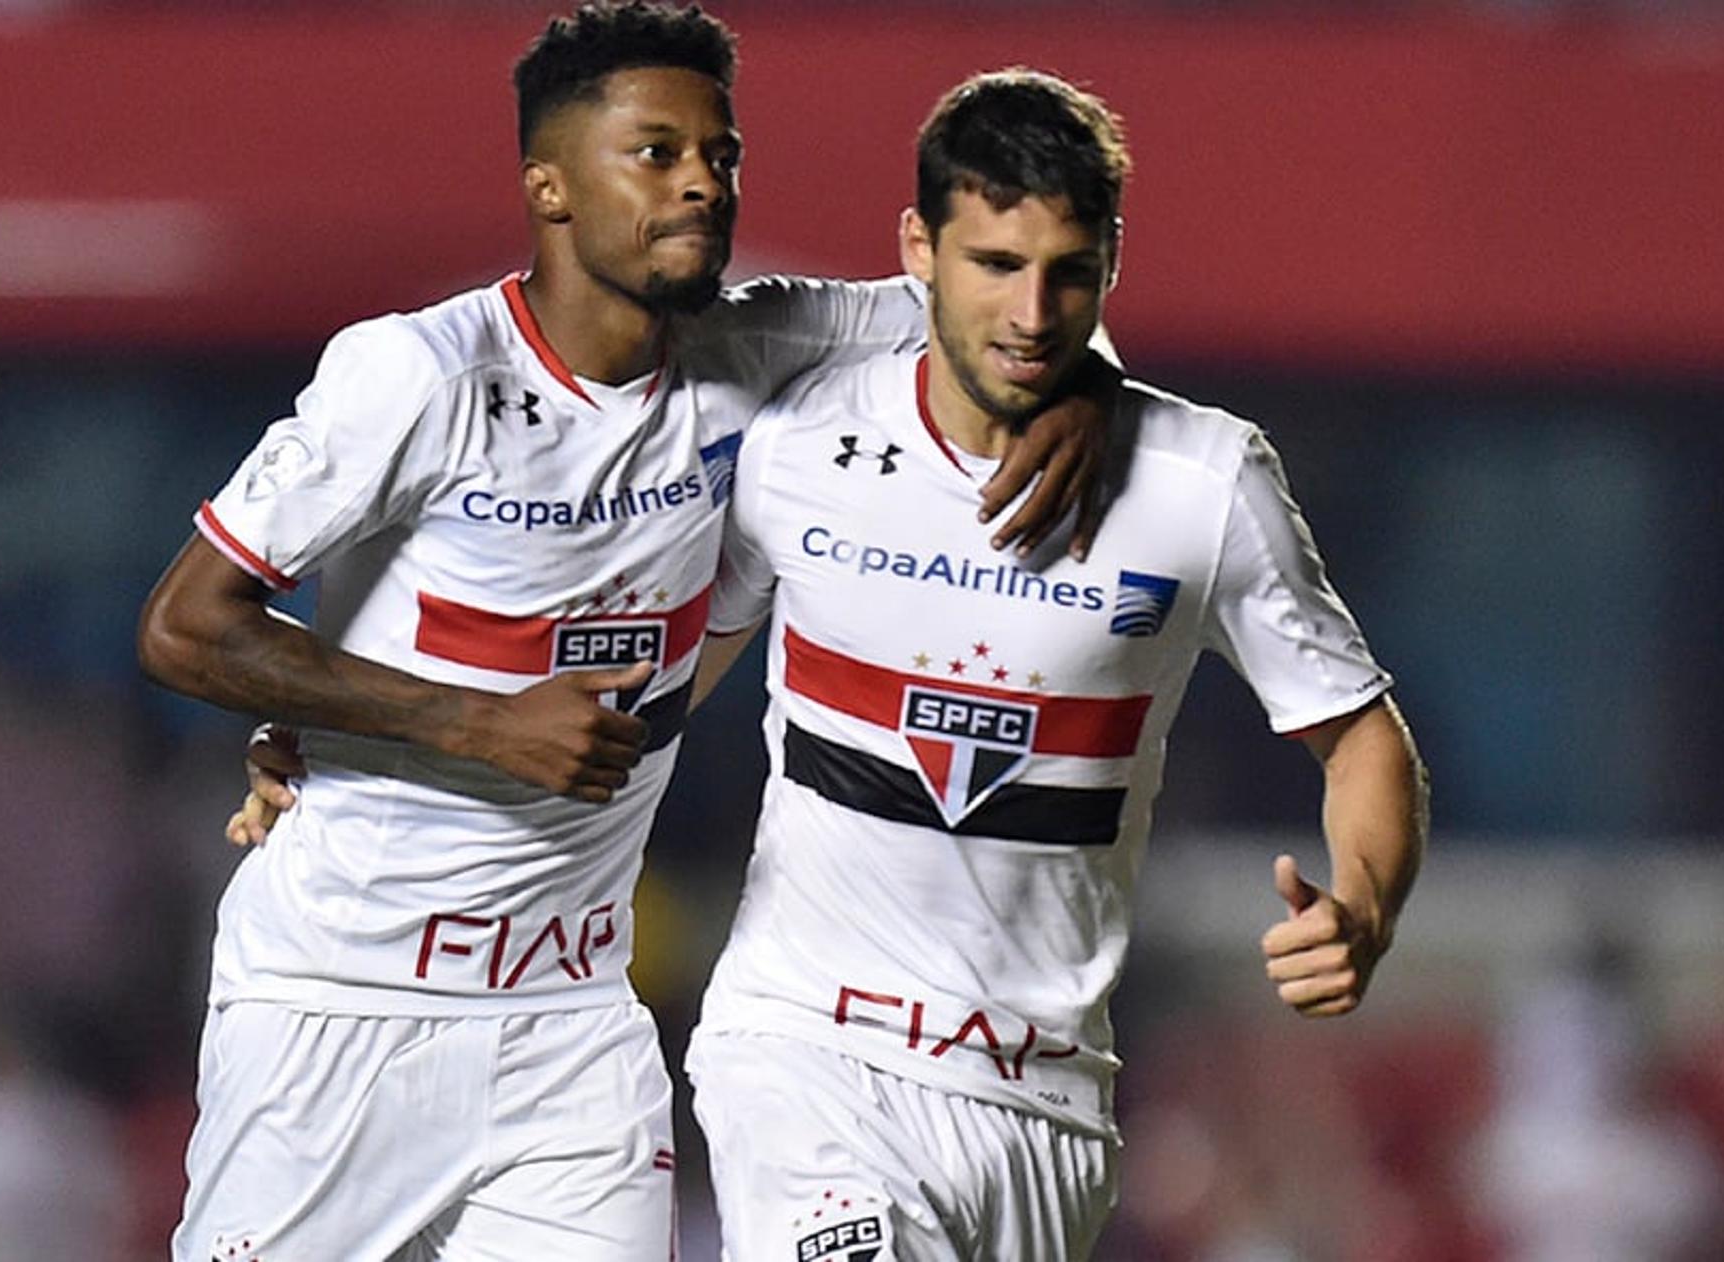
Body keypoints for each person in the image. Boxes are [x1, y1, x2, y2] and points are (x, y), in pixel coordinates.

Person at [135, 5, 1106, 1259]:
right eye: (655, 152)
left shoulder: (759, 344)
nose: (703, 180)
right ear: (549, 184)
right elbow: (183, 625)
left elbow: (1006, 305)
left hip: (571, 1023)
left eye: (722, 154)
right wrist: (465, 724)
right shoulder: (421, 376)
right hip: (342, 999)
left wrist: (1086, 385)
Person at [676, 70, 1429, 1260]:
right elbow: (648, 687)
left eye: (1069, 271)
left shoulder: (1204, 482)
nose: (1032, 314)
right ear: (917, 248)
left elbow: (1361, 733)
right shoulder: (797, 443)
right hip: (807, 1052)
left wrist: (1367, 906)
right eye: (993, 265)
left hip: (1049, 1101)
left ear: (1113, 262)